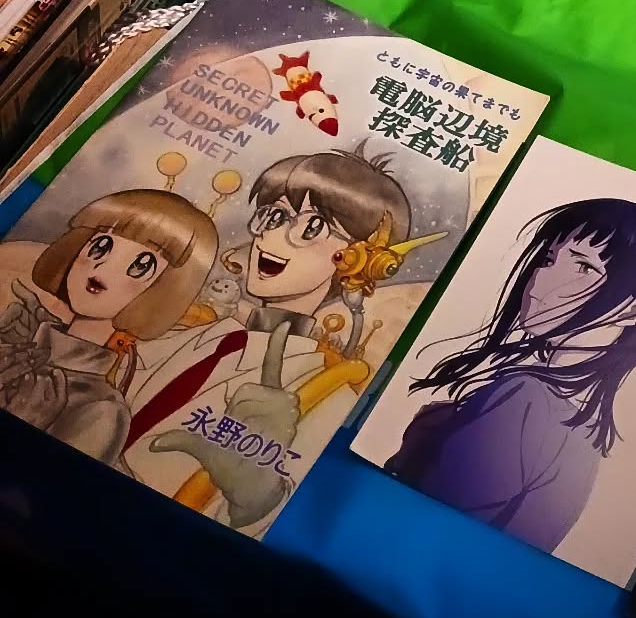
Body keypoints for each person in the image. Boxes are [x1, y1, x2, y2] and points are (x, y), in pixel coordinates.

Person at [121, 145, 421, 532]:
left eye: (311, 228)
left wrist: (254, 499)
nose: (272, 237)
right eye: (274, 216)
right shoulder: (209, 334)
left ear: (357, 262)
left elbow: (271, 514)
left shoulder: (328, 396)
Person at [384, 198, 636, 553]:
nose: (541, 278)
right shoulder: (586, 428)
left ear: (634, 310)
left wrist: (422, 441)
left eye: (584, 267)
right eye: (550, 259)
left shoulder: (526, 400)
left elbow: (422, 529)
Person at [0, 190, 218, 467]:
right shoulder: (15, 342)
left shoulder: (101, 410)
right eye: (101, 246)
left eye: (141, 265)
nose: (102, 266)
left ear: (164, 289)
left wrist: (21, 428)